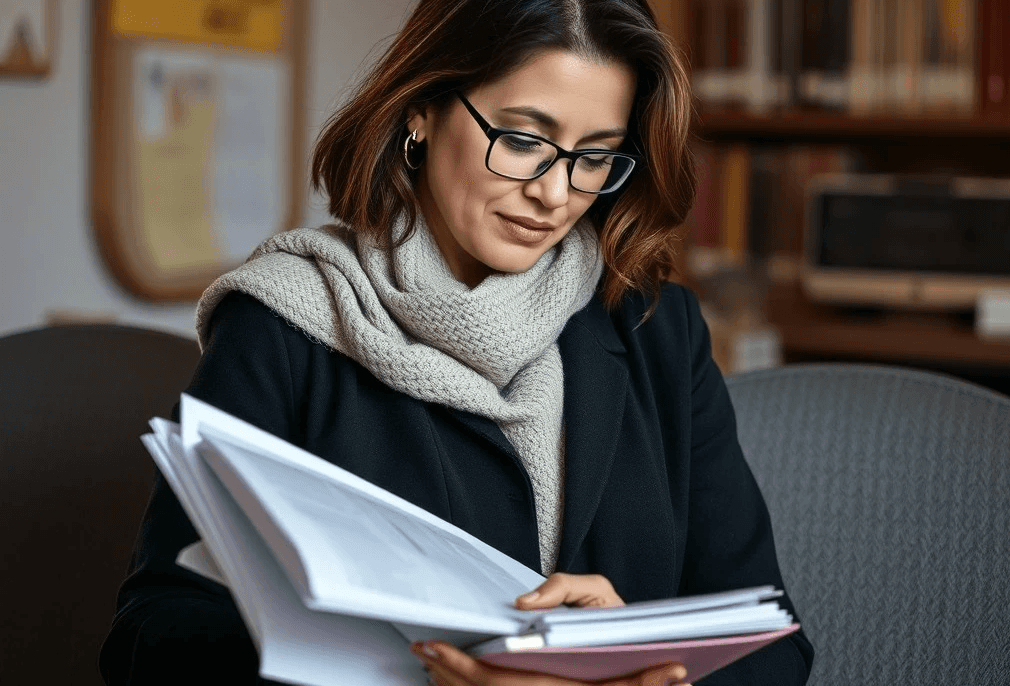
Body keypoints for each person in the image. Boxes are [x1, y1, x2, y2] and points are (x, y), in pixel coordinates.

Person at [100, 0, 813, 684]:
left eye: (595, 156)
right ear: (423, 108)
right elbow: (152, 639)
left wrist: (638, 673)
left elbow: (771, 639)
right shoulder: (282, 325)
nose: (555, 193)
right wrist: (426, 676)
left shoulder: (659, 330)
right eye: (525, 140)